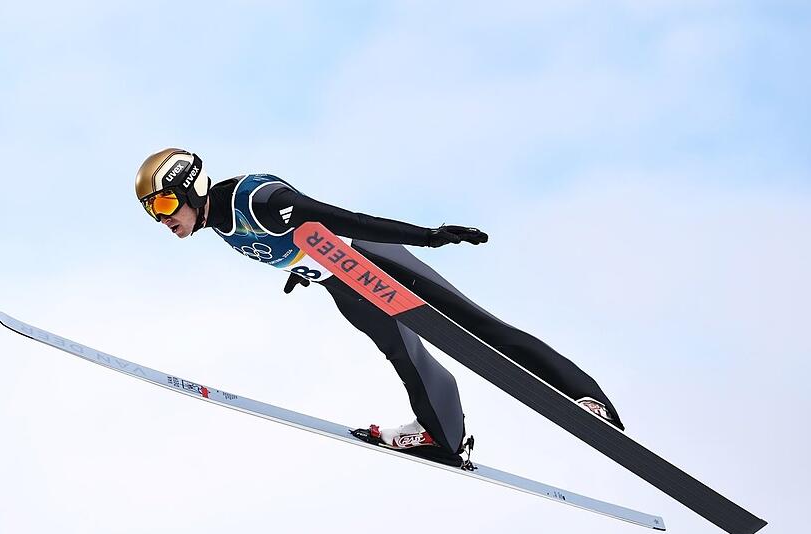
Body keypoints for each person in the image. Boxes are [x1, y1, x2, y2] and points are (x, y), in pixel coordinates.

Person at [135, 148, 624, 467]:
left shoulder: (258, 200)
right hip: (340, 284)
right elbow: (292, 246)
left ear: (191, 188)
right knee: (404, 355)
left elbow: (346, 220)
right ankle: (442, 436)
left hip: (372, 258)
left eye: (164, 206)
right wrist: (298, 272)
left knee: (477, 327)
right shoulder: (218, 223)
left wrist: (428, 237)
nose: (162, 220)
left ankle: (586, 397)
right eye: (152, 212)